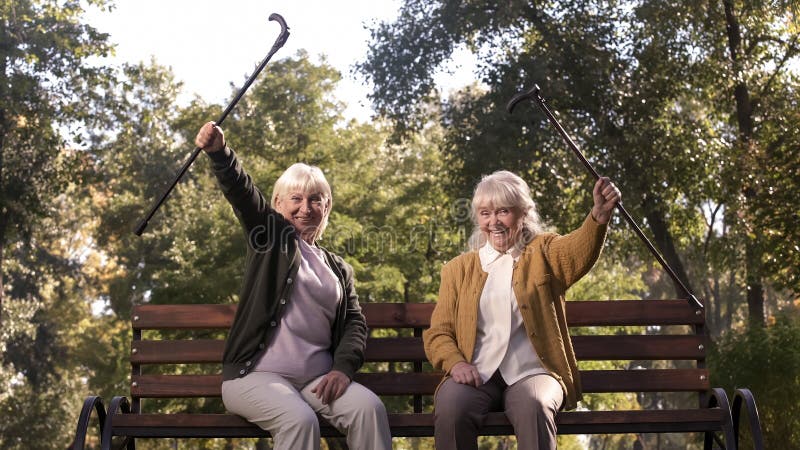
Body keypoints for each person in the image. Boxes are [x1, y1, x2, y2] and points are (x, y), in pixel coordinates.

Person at [194, 122, 392, 450]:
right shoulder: (269, 238)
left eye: (315, 199)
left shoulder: (339, 269)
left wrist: (343, 369)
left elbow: (355, 324)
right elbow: (243, 195)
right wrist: (220, 154)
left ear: (326, 207)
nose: (305, 208)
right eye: (296, 199)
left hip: (316, 382)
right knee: (298, 420)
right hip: (254, 378)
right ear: (278, 204)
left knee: (369, 409)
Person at [423, 170, 620, 450]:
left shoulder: (544, 252)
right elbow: (438, 333)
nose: (494, 222)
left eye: (503, 211)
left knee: (535, 405)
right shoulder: (457, 270)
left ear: (523, 213)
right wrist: (456, 363)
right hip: (477, 373)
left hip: (534, 372)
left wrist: (599, 215)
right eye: (485, 213)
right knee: (453, 405)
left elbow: (577, 251)